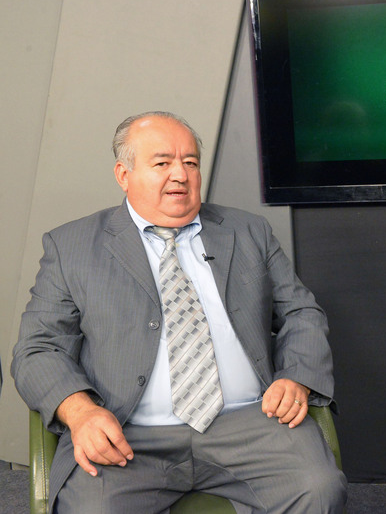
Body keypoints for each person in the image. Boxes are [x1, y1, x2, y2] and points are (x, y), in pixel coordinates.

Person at [12, 112, 347, 513]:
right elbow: (38, 348)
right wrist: (80, 411)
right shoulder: (73, 246)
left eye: (190, 162)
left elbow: (301, 312)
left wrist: (296, 376)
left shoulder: (248, 231)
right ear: (124, 175)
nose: (180, 175)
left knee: (318, 488)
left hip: (249, 424)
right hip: (128, 433)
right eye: (162, 163)